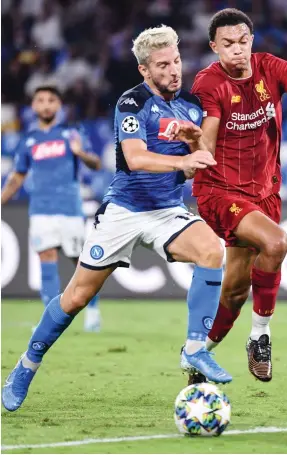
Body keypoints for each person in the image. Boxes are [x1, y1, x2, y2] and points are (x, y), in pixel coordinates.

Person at [2, 25, 232, 412]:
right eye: (163, 65)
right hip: (124, 211)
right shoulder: (131, 103)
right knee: (76, 298)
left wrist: (195, 143)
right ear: (144, 70)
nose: (174, 70)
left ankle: (195, 348)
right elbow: (135, 157)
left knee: (212, 250)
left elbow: (200, 159)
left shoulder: (190, 106)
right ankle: (27, 364)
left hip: (166, 210)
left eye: (176, 61)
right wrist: (184, 158)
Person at [184, 8, 287, 383]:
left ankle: (198, 357)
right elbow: (208, 144)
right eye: (227, 44)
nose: (236, 50)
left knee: (235, 292)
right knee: (277, 242)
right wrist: (193, 145)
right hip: (220, 190)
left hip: (264, 193)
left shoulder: (270, 67)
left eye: (242, 42)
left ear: (251, 41)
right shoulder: (209, 83)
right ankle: (260, 337)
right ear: (213, 47)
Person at [1, 86, 102, 332]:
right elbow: (17, 177)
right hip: (41, 209)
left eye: (51, 100)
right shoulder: (29, 141)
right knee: (46, 257)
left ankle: (92, 312)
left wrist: (81, 153)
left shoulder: (72, 134)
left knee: (81, 263)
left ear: (59, 106)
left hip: (70, 209)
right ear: (33, 106)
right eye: (41, 100)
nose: (46, 105)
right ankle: (51, 319)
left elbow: (96, 163)